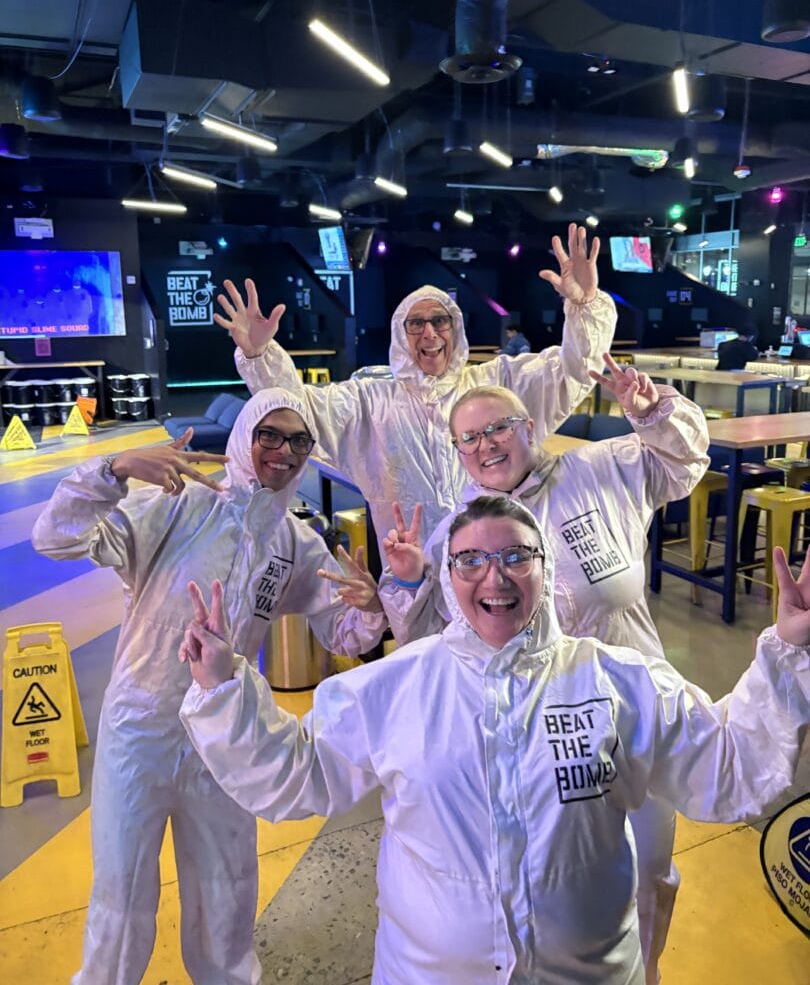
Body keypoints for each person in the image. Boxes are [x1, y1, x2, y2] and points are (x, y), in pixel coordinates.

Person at [179, 496, 810, 985]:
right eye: (471, 561)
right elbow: (298, 774)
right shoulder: (395, 687)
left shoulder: (618, 681)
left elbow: (726, 766)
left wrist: (787, 648)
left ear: (545, 569)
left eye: (515, 557)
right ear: (449, 576)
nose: (495, 577)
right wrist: (223, 690)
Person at [31, 388, 388, 985]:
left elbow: (342, 631)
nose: (284, 452)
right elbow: (56, 537)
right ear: (245, 438)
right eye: (269, 435)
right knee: (121, 894)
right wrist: (113, 469)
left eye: (298, 441)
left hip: (224, 737)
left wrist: (375, 604)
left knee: (227, 891)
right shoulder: (176, 508)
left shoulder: (293, 543)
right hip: (139, 729)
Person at [377, 359, 709, 982]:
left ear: (529, 427)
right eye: (470, 437)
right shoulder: (459, 533)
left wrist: (652, 414)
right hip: (537, 741)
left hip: (633, 715)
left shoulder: (600, 471)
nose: (486, 445)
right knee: (554, 885)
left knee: (649, 870)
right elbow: (434, 641)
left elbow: (684, 462)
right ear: (458, 452)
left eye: (498, 427)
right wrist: (408, 581)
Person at [214, 224, 617, 547]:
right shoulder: (370, 404)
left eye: (440, 321)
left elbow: (571, 372)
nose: (430, 333)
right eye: (416, 324)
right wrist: (260, 356)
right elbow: (297, 412)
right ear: (400, 334)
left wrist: (584, 308)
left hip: (499, 565)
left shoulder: (497, 385)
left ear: (455, 329)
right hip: (412, 577)